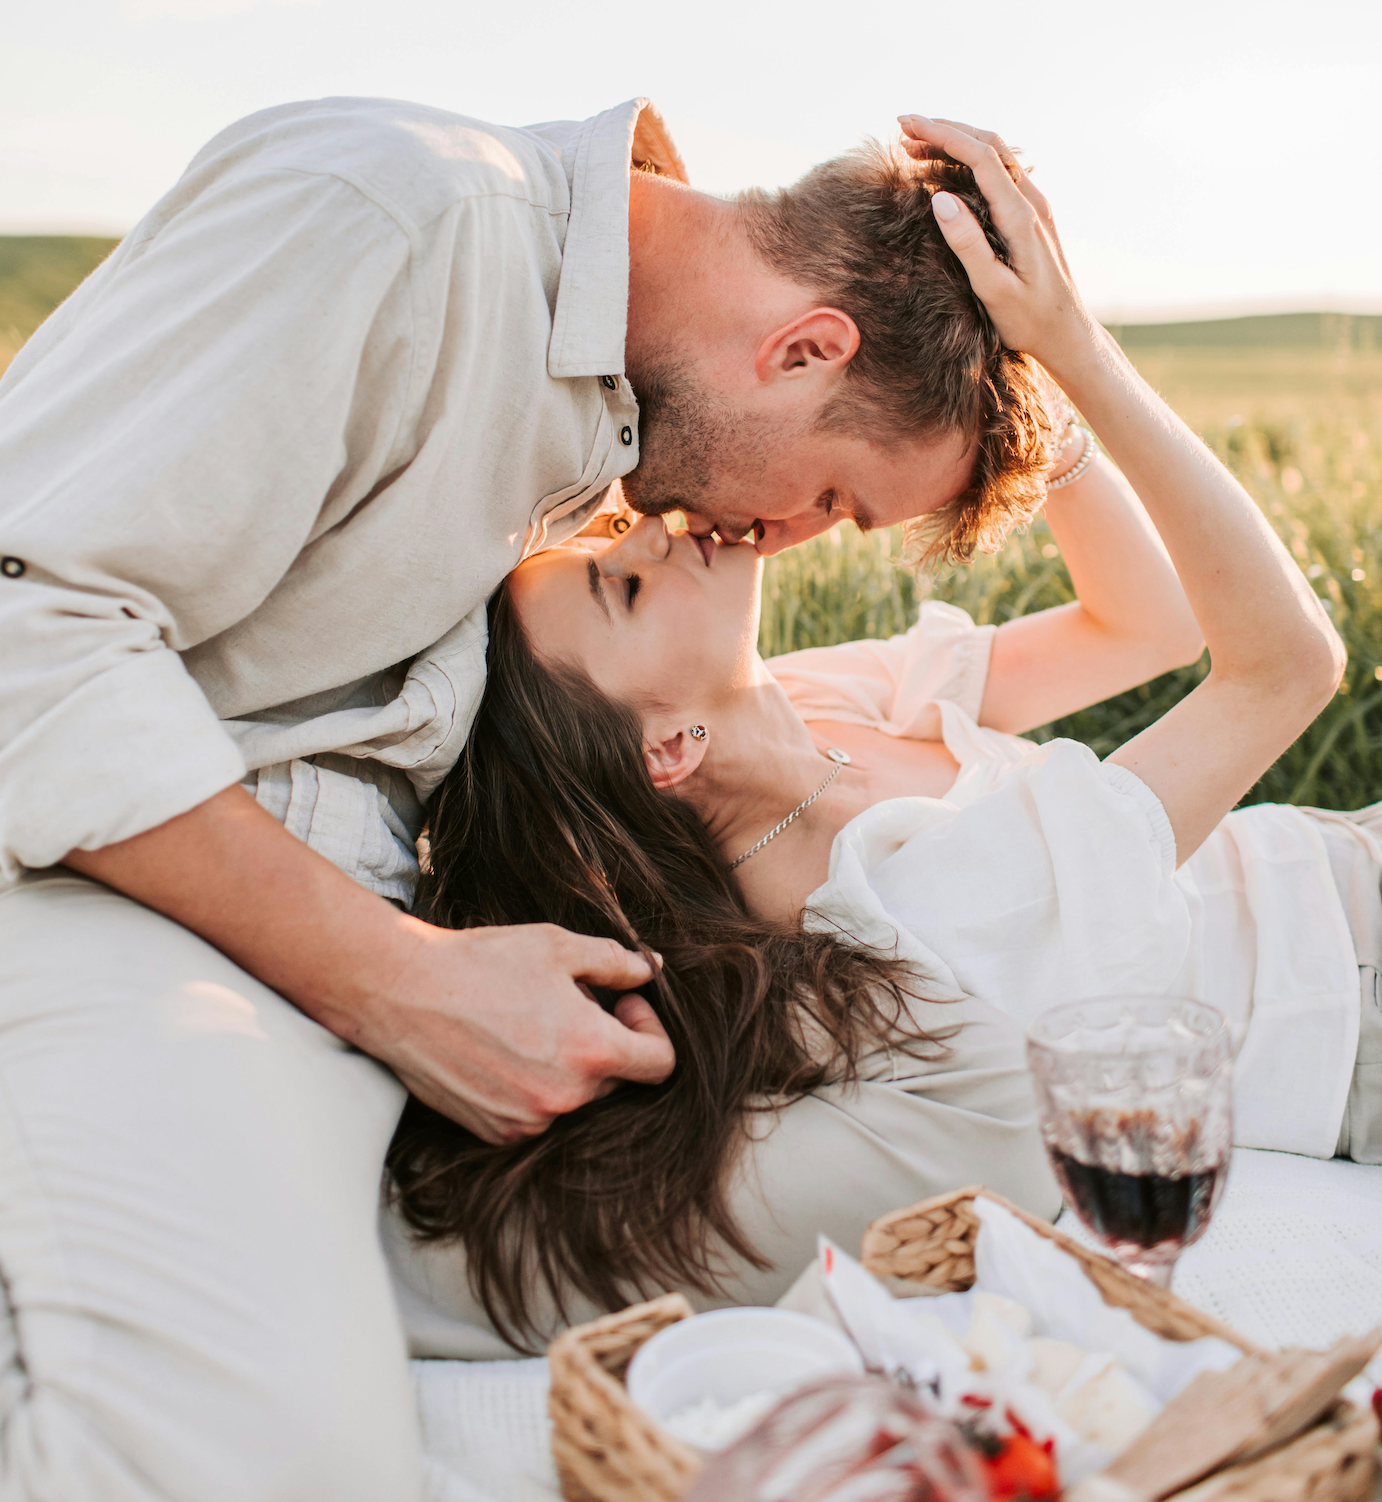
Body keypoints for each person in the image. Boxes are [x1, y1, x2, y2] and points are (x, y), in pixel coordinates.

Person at [0, 100, 1058, 1498]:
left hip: (336, 921)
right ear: (803, 347)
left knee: (980, 1142)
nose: (775, 540)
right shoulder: (392, 216)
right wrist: (392, 980)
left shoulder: (596, 385)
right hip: (114, 880)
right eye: (831, 498)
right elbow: (32, 622)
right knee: (272, 1460)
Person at [382, 118, 1373, 1362]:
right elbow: (1285, 662)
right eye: (621, 589)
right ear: (666, 751)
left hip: (1336, 860)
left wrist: (977, 374)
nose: (644, 526)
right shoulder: (884, 904)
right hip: (1349, 995)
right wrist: (1072, 342)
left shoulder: (816, 693)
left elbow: (1150, 622)